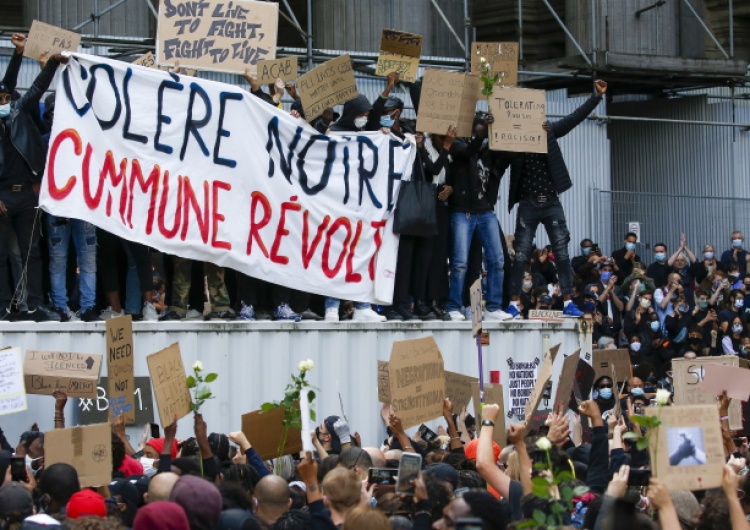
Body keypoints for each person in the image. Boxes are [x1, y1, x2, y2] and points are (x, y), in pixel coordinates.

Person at [501, 80, 609, 319]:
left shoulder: (548, 133)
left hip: (550, 202)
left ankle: (569, 301)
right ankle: (513, 303)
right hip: (528, 203)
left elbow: (573, 119)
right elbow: (496, 141)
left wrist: (596, 97)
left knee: (561, 252)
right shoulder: (514, 141)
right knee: (520, 254)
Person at [0, 53, 68, 322]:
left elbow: (37, 87)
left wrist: (50, 63)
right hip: (3, 196)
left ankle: (34, 305)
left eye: (6, 98)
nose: (3, 102)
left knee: (31, 254)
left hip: (26, 194)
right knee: (3, 255)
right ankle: (4, 307)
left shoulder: (19, 113)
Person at [444, 113, 511, 322]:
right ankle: (454, 306)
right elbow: (468, 151)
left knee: (497, 260)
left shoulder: (490, 149)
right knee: (460, 262)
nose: (484, 128)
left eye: (486, 125)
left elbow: (507, 157)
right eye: (481, 125)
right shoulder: (458, 144)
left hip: (485, 211)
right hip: (462, 211)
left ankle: (493, 307)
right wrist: (481, 137)